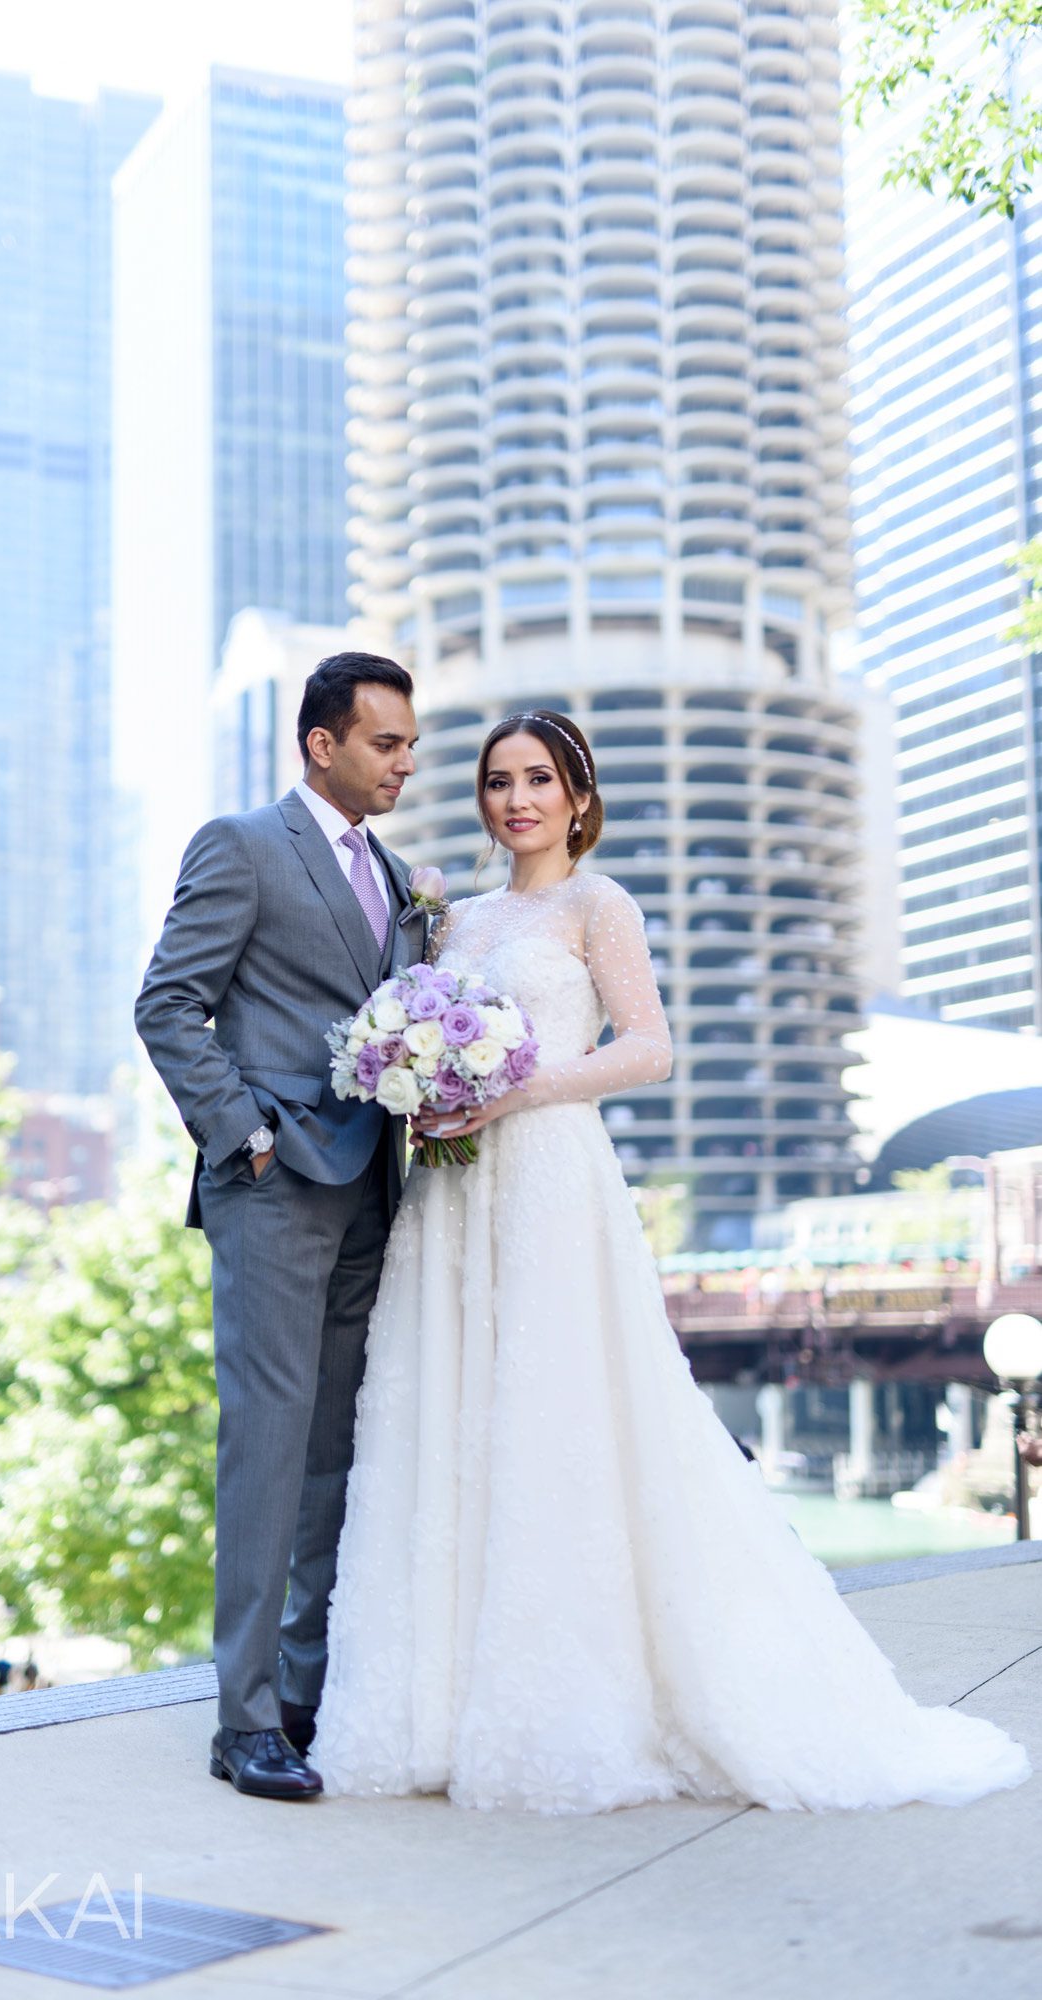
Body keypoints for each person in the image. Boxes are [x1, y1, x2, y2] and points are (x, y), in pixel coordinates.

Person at [313, 710, 1030, 1813]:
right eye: (500, 780)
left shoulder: (600, 905)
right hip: (453, 1185)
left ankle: (572, 1695)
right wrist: (424, 1076)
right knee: (447, 1411)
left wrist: (524, 1085)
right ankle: (433, 1699)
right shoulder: (452, 914)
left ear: (578, 795)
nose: (518, 799)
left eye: (540, 778)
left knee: (561, 1413)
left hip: (551, 1171)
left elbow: (651, 1045)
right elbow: (417, 1013)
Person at [137, 651, 424, 1801]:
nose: (405, 762)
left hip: (373, 1190)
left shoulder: (401, 876)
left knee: (334, 1451)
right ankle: (241, 1718)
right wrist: (241, 1133)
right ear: (323, 743)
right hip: (271, 1186)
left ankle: (302, 1694)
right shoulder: (243, 844)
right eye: (386, 743)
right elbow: (169, 1000)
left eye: (408, 744)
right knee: (265, 1443)